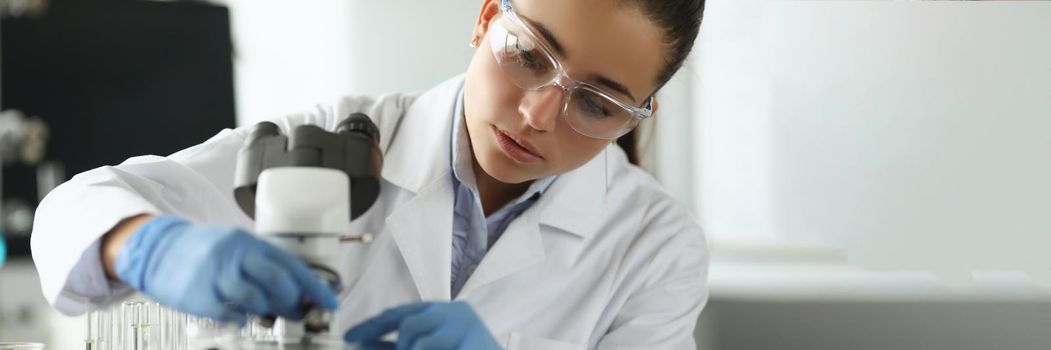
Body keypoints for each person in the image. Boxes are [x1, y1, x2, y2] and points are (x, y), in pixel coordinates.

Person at [31, 0, 708, 348]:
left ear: (637, 115)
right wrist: (150, 245)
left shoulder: (651, 243)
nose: (536, 115)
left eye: (594, 103)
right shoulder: (333, 138)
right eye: (529, 55)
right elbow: (75, 208)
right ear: (485, 19)